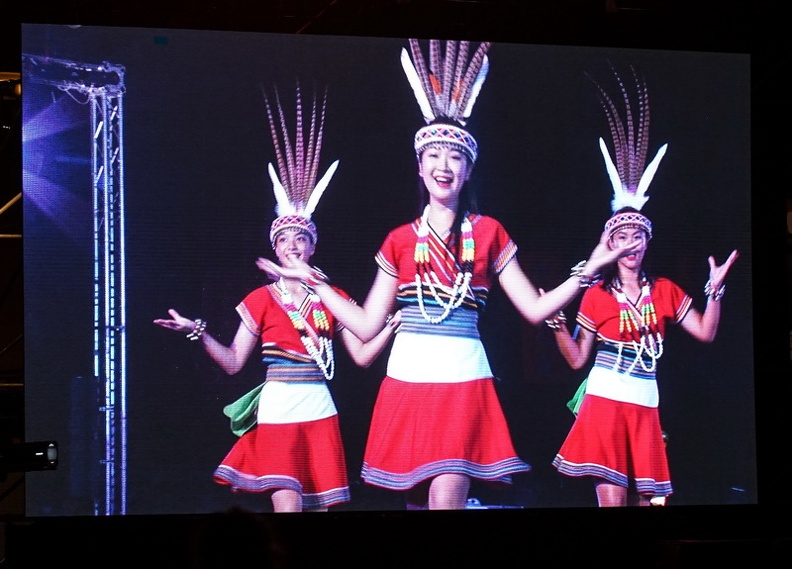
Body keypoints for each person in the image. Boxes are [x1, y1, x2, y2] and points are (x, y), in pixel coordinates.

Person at [258, 40, 643, 511]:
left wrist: (591, 269)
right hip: (409, 377)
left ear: (468, 169)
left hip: (464, 378)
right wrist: (315, 282)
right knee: (420, 504)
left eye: (455, 157)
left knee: (448, 500)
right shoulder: (400, 239)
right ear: (420, 167)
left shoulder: (489, 232)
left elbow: (534, 308)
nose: (444, 166)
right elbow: (365, 324)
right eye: (434, 156)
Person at [154, 85, 399, 513]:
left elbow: (360, 357)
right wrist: (197, 331)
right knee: (288, 506)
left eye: (301, 238)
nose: (292, 246)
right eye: (284, 239)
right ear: (275, 247)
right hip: (279, 406)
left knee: (321, 508)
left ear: (312, 246)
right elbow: (234, 362)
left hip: (319, 405)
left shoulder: (332, 297)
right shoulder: (261, 298)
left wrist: (390, 329)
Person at [548, 67, 739, 507]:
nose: (630, 244)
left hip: (645, 401)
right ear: (609, 244)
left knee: (646, 504)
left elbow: (706, 333)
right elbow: (577, 360)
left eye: (637, 236)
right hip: (605, 399)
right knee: (612, 503)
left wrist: (714, 292)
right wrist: (556, 325)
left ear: (648, 242)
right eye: (621, 237)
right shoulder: (596, 294)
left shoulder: (665, 290)